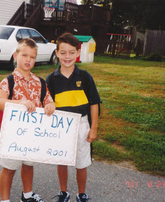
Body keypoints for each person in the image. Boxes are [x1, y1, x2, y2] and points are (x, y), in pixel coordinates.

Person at [0, 38, 56, 202]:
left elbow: (48, 100)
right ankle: (5, 200)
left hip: (32, 135)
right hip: (12, 136)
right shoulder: (9, 81)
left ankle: (27, 195)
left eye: (32, 57)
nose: (28, 60)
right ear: (16, 55)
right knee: (9, 168)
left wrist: (51, 105)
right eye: (24, 55)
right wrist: (18, 103)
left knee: (29, 165)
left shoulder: (40, 83)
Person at [46, 33, 101, 202]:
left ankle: (81, 193)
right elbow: (47, 103)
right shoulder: (51, 79)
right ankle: (64, 192)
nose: (67, 57)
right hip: (61, 127)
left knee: (81, 162)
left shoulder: (85, 77)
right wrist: (49, 105)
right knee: (62, 161)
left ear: (78, 52)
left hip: (82, 125)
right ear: (57, 53)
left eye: (71, 52)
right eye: (63, 52)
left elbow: (94, 103)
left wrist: (93, 128)